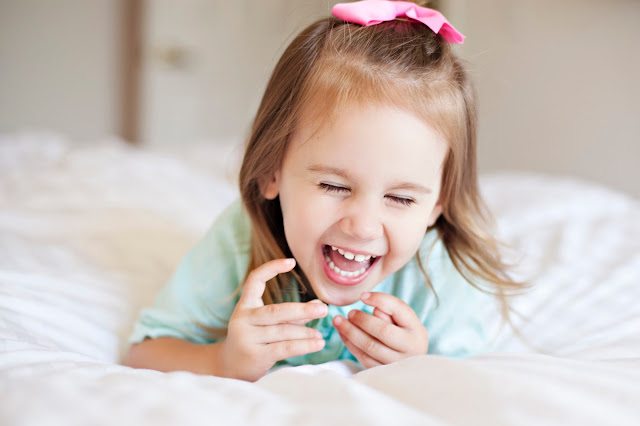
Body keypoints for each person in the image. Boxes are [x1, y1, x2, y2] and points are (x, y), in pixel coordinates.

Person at [125, 0, 522, 382]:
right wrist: (225, 360)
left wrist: (417, 366)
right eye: (334, 185)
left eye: (401, 198)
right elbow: (145, 353)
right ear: (270, 172)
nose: (363, 227)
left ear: (439, 202)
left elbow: (466, 384)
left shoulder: (439, 268)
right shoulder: (240, 238)